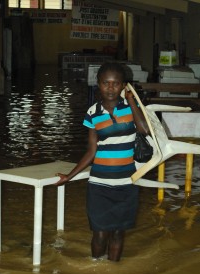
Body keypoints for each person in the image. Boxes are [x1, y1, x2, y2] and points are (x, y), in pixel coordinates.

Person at [55, 62, 149, 262]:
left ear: (123, 85)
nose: (110, 88)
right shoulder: (93, 113)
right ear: (98, 84)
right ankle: (96, 270)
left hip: (126, 183)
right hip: (99, 185)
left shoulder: (131, 108)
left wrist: (132, 101)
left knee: (118, 233)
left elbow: (144, 130)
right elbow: (91, 151)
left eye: (116, 84)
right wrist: (68, 177)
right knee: (99, 233)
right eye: (106, 83)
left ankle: (112, 273)